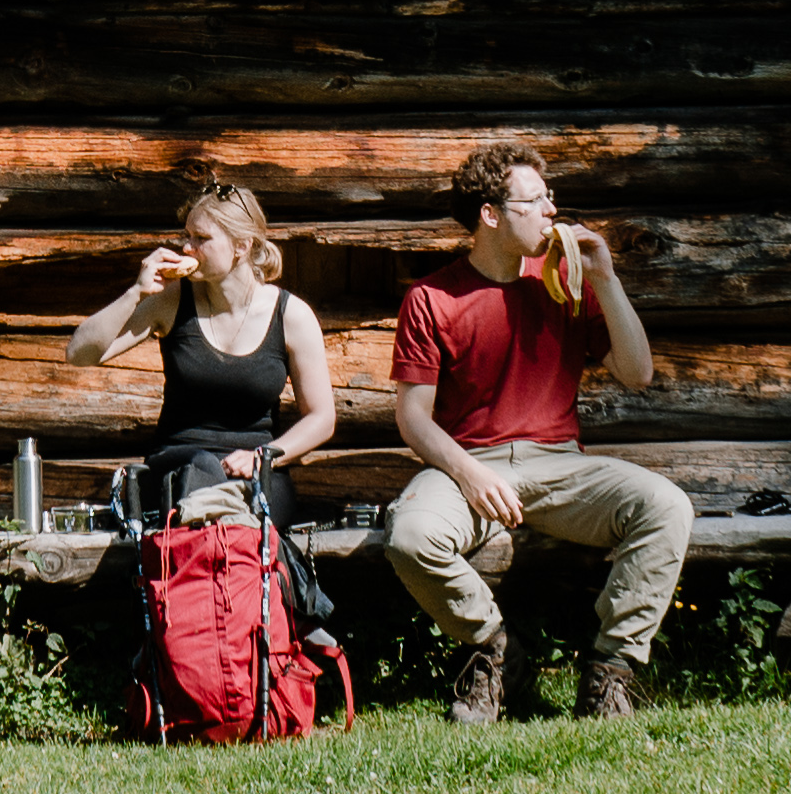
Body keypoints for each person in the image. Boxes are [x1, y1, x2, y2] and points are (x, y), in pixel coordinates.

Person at [384, 134, 691, 722]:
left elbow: (638, 372)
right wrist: (469, 473)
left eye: (552, 198)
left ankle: (610, 673)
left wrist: (605, 279)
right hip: (468, 467)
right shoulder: (432, 296)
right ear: (491, 215)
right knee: (410, 537)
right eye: (537, 201)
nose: (553, 211)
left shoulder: (566, 282)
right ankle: (498, 655)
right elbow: (413, 419)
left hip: (561, 463)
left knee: (666, 506)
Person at [66, 179, 337, 527]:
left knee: (258, 501)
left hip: (255, 473)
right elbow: (80, 353)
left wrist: (263, 456)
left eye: (201, 239)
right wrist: (136, 293)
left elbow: (322, 418)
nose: (186, 247)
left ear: (241, 246)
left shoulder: (291, 315)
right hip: (177, 467)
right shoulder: (172, 300)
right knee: (202, 469)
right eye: (187, 235)